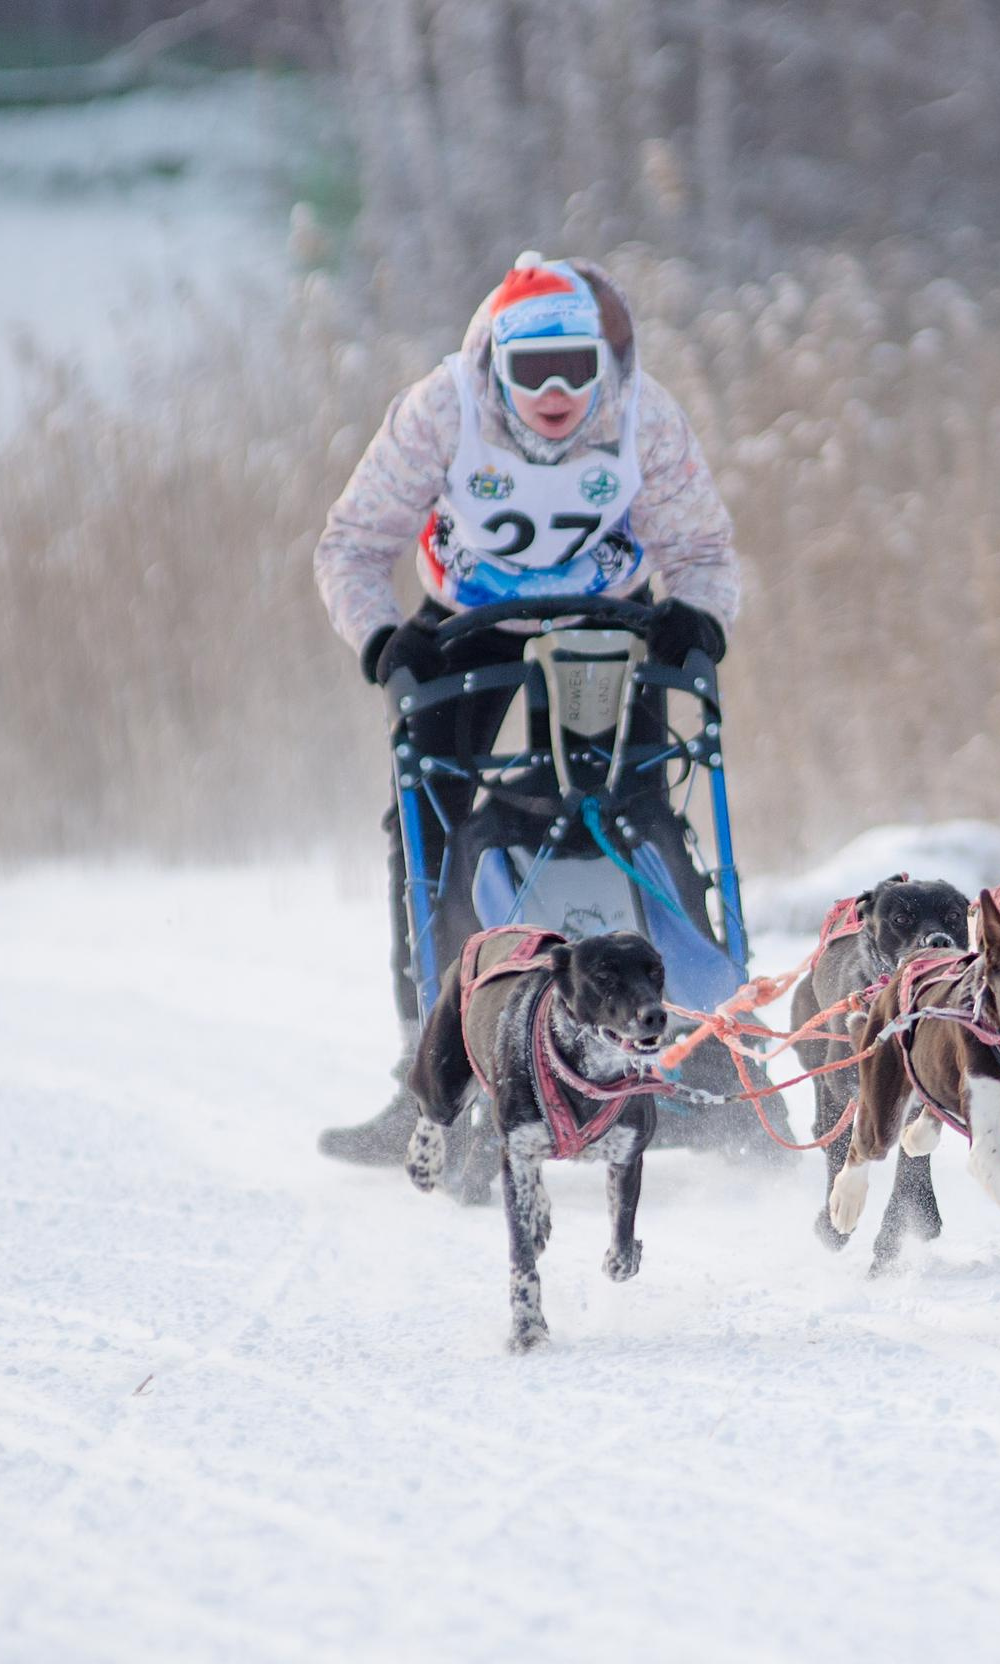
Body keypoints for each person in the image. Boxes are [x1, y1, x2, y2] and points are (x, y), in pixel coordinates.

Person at [314, 254, 741, 1161]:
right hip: (467, 617)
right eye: (532, 371)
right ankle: (430, 1070)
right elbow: (351, 544)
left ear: (605, 368)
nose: (555, 393)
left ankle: (698, 1044)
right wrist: (383, 640)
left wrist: (697, 620)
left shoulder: (642, 414)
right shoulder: (443, 408)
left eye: (576, 370)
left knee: (636, 809)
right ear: (493, 368)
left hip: (608, 615)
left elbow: (702, 547)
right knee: (427, 816)